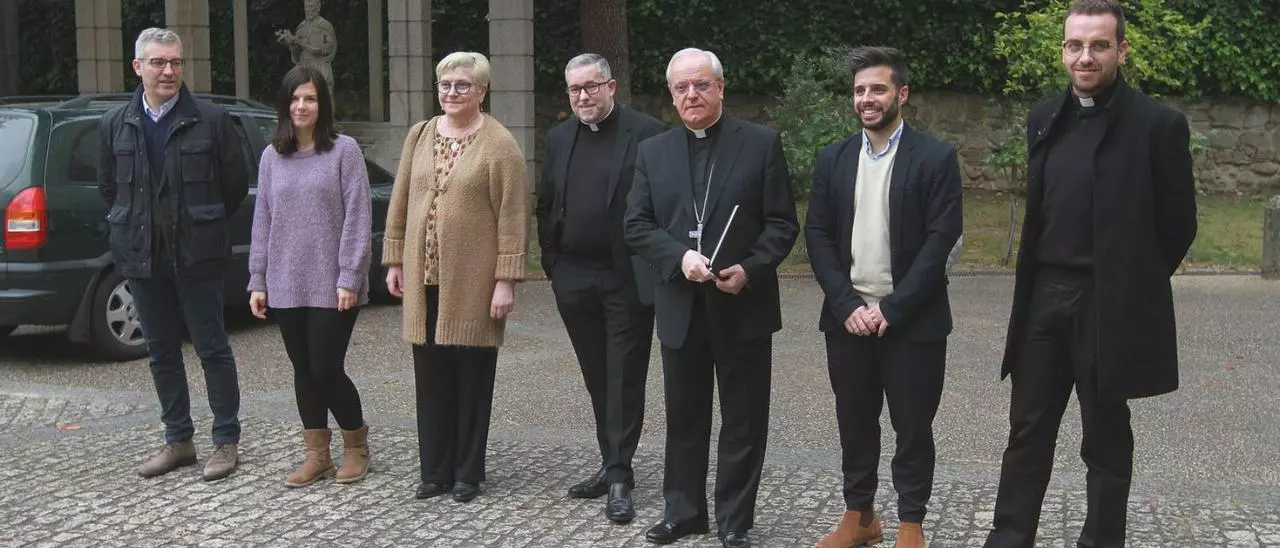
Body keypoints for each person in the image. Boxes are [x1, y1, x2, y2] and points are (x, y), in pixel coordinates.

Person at [984, 1, 1197, 546]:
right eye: (1075, 45)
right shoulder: (1044, 118)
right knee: (1027, 432)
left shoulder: (1157, 125)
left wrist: (1130, 285)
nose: (1085, 56)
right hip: (1043, 300)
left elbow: (1179, 225)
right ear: (1062, 51)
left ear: (1121, 50)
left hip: (1108, 304)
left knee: (1104, 438)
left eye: (1099, 45)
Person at [624, 47, 798, 548]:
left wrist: (750, 268)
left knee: (743, 419)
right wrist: (679, 258)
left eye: (701, 84)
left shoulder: (760, 144)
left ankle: (735, 520)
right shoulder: (653, 151)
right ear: (671, 94)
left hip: (742, 304)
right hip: (681, 305)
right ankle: (683, 512)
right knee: (684, 417)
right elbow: (636, 224)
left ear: (720, 88)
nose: (691, 94)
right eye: (681, 87)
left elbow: (782, 223)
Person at [805, 46, 963, 548]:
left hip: (912, 321)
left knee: (913, 428)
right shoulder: (833, 159)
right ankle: (860, 516)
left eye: (877, 88)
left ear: (902, 93)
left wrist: (893, 309)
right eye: (859, 90)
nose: (867, 99)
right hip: (848, 319)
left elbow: (941, 242)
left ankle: (911, 524)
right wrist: (847, 305)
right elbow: (818, 236)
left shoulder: (935, 158)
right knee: (854, 423)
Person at [98, 27, 251, 482]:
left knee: (212, 348)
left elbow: (233, 186)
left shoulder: (212, 120)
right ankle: (178, 439)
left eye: (176, 62)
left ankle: (225, 440)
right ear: (138, 67)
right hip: (143, 256)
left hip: (197, 255)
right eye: (159, 62)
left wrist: (199, 223)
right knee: (161, 351)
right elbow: (111, 189)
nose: (169, 71)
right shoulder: (114, 124)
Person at [382, 51, 528, 504]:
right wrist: (395, 260)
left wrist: (506, 279)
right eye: (445, 84)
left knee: (471, 379)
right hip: (423, 280)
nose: (451, 92)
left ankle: (467, 472)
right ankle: (435, 471)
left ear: (482, 91)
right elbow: (401, 200)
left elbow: (513, 216)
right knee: (430, 379)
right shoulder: (420, 134)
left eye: (462, 85)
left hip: (473, 284)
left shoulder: (499, 143)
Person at [536, 53, 667, 524]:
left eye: (591, 86)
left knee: (624, 376)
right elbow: (546, 203)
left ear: (611, 87)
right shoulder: (559, 137)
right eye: (575, 89)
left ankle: (619, 477)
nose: (583, 96)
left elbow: (662, 203)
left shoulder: (648, 133)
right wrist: (552, 263)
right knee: (596, 375)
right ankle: (610, 463)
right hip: (573, 276)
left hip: (624, 277)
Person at [247, 65, 373, 488]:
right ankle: (317, 454)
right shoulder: (272, 156)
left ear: (323, 105)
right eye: (295, 98)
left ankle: (356, 445)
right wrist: (258, 279)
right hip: (285, 280)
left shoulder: (344, 151)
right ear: (284, 105)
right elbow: (263, 219)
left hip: (334, 283)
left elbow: (358, 216)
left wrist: (350, 275)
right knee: (303, 369)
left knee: (325, 367)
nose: (301, 106)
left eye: (311, 98)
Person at [275, 0, 336, 96]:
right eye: (306, 7)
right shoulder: (301, 28)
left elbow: (323, 50)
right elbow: (296, 57)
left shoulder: (326, 27)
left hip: (320, 70)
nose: (308, 10)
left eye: (311, 6)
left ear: (318, 7)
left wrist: (297, 41)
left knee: (323, 101)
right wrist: (292, 44)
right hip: (303, 71)